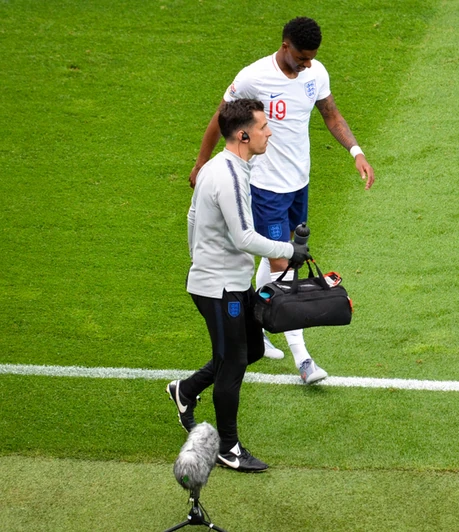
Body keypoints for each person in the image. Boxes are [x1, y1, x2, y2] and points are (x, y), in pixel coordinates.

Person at [188, 17, 374, 384]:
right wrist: (201, 161)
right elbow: (221, 117)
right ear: (285, 46)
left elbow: (331, 114)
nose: (307, 64)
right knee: (281, 261)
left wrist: (356, 151)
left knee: (273, 255)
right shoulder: (254, 77)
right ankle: (303, 359)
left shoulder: (315, 73)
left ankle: (258, 325)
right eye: (302, 57)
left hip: (298, 182)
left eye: (311, 57)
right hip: (265, 186)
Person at [167, 98, 311, 472]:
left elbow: (192, 216)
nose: (270, 133)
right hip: (220, 288)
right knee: (233, 363)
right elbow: (245, 237)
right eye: (263, 127)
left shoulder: (221, 167)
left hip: (226, 281)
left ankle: (185, 390)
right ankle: (227, 449)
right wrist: (290, 251)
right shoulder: (230, 176)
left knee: (252, 348)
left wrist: (199, 257)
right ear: (243, 135)